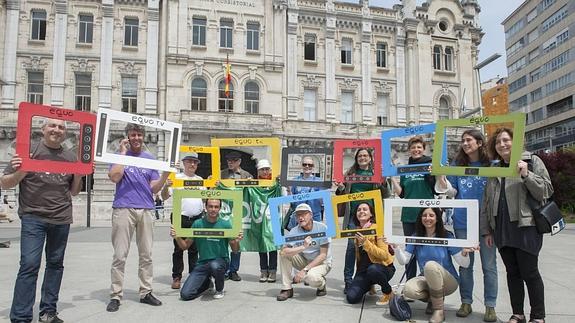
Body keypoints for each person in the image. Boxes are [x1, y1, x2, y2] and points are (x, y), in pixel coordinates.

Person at [1, 118, 85, 323]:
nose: (57, 130)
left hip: (61, 217)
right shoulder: (27, 151)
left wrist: (79, 174)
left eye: (61, 127)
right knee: (29, 265)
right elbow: (5, 183)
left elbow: (74, 192)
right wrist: (24, 168)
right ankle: (21, 316)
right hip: (33, 217)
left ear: (65, 132)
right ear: (43, 129)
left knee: (55, 265)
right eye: (52, 126)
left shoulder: (70, 156)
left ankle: (48, 312)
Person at [480, 127, 553, 323]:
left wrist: (526, 174)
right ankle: (518, 313)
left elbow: (546, 190)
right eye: (497, 142)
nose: (502, 144)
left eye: (506, 140)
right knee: (512, 273)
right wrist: (487, 230)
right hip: (502, 228)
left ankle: (538, 316)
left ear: (515, 141)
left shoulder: (532, 161)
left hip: (526, 227)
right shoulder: (494, 168)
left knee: (529, 272)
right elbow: (486, 201)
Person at [106, 123, 170, 313]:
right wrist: (123, 153)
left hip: (146, 209)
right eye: (133, 135)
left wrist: (165, 174)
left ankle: (145, 292)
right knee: (119, 255)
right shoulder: (119, 157)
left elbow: (154, 189)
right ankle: (116, 295)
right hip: (123, 208)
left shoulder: (150, 159)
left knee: (146, 255)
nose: (136, 138)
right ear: (127, 137)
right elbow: (115, 177)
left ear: (143, 136)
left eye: (139, 135)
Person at [436, 129, 498, 321]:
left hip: (487, 223)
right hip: (463, 221)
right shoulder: (457, 164)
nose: (464, 143)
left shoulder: (492, 165)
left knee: (489, 266)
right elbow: (453, 192)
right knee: (465, 265)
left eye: (469, 140)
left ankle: (490, 305)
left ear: (480, 143)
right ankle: (466, 301)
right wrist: (442, 179)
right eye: (463, 140)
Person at [393, 208, 473, 323]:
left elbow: (464, 264)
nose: (427, 218)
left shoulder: (446, 236)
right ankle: (433, 299)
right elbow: (404, 260)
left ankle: (439, 310)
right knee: (408, 290)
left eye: (431, 215)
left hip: (448, 281)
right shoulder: (416, 236)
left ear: (437, 218)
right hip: (427, 278)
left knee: (430, 266)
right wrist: (396, 248)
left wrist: (464, 253)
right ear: (420, 218)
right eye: (424, 215)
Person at [335, 148, 390, 294]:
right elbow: (342, 192)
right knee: (352, 249)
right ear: (356, 158)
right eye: (360, 156)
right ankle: (348, 280)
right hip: (354, 216)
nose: (363, 158)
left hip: (372, 217)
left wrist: (383, 181)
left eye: (365, 155)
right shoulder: (350, 174)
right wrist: (341, 187)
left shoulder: (376, 174)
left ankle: (368, 280)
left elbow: (386, 194)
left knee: (369, 248)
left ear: (371, 158)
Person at [171, 199, 242, 300]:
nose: (213, 209)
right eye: (211, 206)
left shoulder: (226, 224)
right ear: (206, 207)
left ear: (220, 209)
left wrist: (237, 241)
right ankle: (207, 283)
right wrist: (177, 236)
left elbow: (235, 250)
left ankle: (219, 289)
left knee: (215, 265)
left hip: (220, 261)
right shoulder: (197, 224)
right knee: (185, 295)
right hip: (203, 263)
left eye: (216, 207)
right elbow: (184, 246)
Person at [391, 135, 436, 281]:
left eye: (419, 147)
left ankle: (428, 284)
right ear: (409, 150)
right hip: (409, 215)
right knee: (410, 252)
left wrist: (437, 172)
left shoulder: (430, 165)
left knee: (426, 252)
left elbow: (437, 189)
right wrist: (392, 178)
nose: (416, 150)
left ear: (423, 149)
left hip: (427, 216)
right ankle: (410, 284)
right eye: (413, 147)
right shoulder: (405, 169)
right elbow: (402, 194)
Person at [161, 152, 204, 290]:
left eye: (195, 162)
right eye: (189, 161)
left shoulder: (200, 180)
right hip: (180, 217)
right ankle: (177, 277)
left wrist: (213, 186)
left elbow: (205, 199)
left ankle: (193, 276)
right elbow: (164, 196)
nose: (192, 164)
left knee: (194, 249)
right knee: (178, 249)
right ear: (184, 163)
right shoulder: (176, 178)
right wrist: (166, 186)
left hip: (197, 218)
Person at [276, 203, 332, 301]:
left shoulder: (322, 228)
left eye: (304, 214)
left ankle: (321, 284)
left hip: (322, 263)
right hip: (305, 260)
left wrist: (304, 271)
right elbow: (284, 250)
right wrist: (303, 247)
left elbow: (323, 255)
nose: (300, 217)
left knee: (311, 278)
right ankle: (287, 288)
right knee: (283, 254)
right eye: (298, 215)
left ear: (311, 215)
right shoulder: (294, 231)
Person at [345, 202, 395, 305]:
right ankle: (369, 285)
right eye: (359, 210)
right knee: (351, 298)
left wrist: (366, 243)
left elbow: (384, 255)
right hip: (364, 271)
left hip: (383, 268)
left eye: (365, 209)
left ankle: (388, 292)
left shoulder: (377, 229)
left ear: (371, 214)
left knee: (373, 270)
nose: (361, 211)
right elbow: (360, 257)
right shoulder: (357, 231)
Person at [220, 150, 252, 282]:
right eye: (228, 161)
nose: (230, 163)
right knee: (223, 242)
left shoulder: (246, 175)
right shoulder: (222, 174)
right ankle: (225, 269)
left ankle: (234, 270)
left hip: (239, 212)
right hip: (225, 212)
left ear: (239, 162)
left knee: (236, 242)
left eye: (233, 160)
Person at [254, 159, 281, 283]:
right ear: (258, 171)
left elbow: (283, 195)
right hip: (259, 217)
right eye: (262, 169)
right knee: (262, 246)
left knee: (273, 246)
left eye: (266, 169)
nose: (265, 172)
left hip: (273, 217)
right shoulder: (254, 184)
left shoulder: (276, 183)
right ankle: (263, 271)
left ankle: (273, 271)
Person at [286, 156, 323, 230]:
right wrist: (288, 190)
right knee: (298, 240)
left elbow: (322, 202)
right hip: (299, 217)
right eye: (304, 164)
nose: (307, 166)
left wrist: (322, 195)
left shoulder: (319, 181)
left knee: (314, 240)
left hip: (314, 217)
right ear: (301, 166)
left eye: (310, 165)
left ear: (313, 167)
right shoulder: (295, 181)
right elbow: (291, 201)